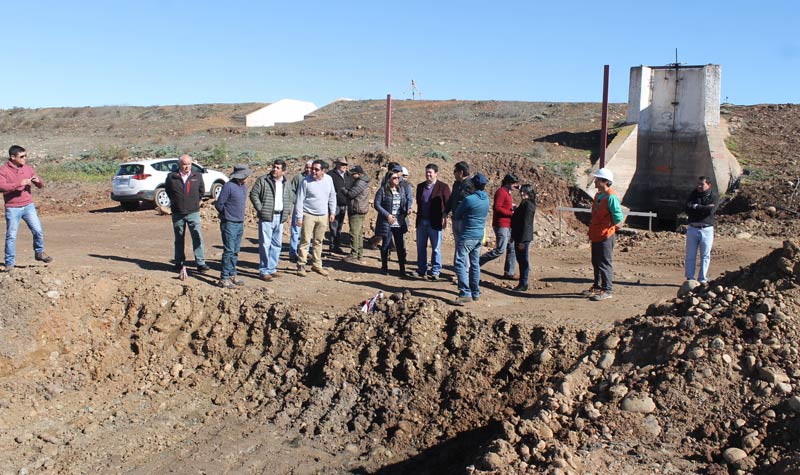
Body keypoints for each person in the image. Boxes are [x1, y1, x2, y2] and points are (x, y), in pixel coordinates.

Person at [0, 145, 52, 271]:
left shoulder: (27, 168)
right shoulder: (3, 170)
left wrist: (38, 181)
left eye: (25, 156)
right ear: (12, 157)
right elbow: (2, 187)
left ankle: (39, 253)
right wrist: (19, 184)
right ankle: (9, 263)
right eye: (22, 156)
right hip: (13, 207)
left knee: (38, 230)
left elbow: (41, 184)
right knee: (11, 235)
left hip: (28, 206)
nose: (25, 159)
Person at [250, 159, 295, 282]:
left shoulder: (287, 183)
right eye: (274, 167)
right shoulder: (263, 180)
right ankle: (264, 270)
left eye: (278, 168)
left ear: (283, 171)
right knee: (265, 244)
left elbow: (291, 198)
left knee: (276, 244)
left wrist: (288, 210)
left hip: (280, 217)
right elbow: (253, 194)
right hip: (267, 217)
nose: (275, 169)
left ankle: (272, 268)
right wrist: (261, 209)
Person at [165, 154, 209, 274]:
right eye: (184, 164)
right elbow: (168, 191)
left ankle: (200, 263)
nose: (187, 167)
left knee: (197, 237)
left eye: (189, 164)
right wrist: (176, 202)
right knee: (179, 238)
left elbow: (201, 191)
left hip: (193, 212)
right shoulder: (171, 177)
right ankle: (179, 262)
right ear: (179, 164)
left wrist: (193, 202)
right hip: (177, 212)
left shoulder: (197, 176)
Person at [585, 168, 623, 301]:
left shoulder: (611, 197)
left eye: (597, 179)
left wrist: (609, 227)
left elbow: (618, 218)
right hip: (596, 234)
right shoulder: (598, 195)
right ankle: (597, 286)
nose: (594, 181)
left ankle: (607, 289)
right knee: (596, 261)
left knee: (605, 263)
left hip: (605, 235)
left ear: (605, 181)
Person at [294, 159, 337, 276]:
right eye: (312, 169)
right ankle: (301, 265)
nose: (313, 171)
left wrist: (332, 212)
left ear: (323, 171)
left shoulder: (329, 180)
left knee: (318, 241)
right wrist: (299, 217)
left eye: (316, 169)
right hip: (308, 215)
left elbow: (332, 196)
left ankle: (317, 265)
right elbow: (299, 200)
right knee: (305, 241)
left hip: (323, 215)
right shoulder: (305, 181)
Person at [453, 173, 490, 304]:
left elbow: (457, 214)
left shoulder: (469, 200)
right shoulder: (486, 199)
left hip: (467, 235)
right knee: (475, 264)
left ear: (473, 184)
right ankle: (475, 291)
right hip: (479, 235)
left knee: (459, 262)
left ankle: (465, 292)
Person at [215, 164, 252, 288]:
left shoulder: (244, 187)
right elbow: (219, 205)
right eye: (246, 175)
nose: (248, 177)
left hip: (239, 222)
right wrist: (227, 214)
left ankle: (232, 274)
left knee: (235, 251)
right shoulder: (228, 186)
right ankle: (224, 278)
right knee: (229, 251)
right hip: (229, 223)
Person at [411, 163, 451, 280]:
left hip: (435, 222)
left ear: (436, 174)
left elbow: (448, 204)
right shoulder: (420, 186)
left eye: (430, 172)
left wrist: (445, 216)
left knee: (436, 248)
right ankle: (422, 269)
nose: (428, 174)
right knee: (421, 246)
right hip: (422, 221)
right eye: (427, 172)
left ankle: (435, 271)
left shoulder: (443, 187)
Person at [481, 173, 519, 279]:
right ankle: (476, 263)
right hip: (501, 224)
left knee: (512, 248)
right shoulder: (501, 192)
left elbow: (503, 206)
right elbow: (497, 208)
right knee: (500, 250)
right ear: (508, 183)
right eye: (514, 183)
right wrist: (511, 213)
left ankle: (509, 272)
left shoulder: (507, 192)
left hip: (507, 224)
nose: (515, 186)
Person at [374, 169, 410, 275]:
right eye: (394, 178)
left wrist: (406, 211)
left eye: (398, 178)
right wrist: (387, 215)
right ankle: (384, 267)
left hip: (398, 221)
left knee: (399, 245)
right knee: (386, 245)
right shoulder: (382, 190)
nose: (397, 179)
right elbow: (377, 205)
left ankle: (402, 269)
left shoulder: (401, 189)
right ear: (389, 179)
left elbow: (403, 203)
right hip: (387, 221)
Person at [684, 176, 719, 284]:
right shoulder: (693, 194)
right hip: (692, 228)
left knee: (705, 255)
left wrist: (696, 207)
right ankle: (690, 278)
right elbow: (687, 209)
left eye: (702, 184)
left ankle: (702, 279)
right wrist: (702, 208)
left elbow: (710, 211)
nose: (699, 186)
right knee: (690, 254)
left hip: (706, 229)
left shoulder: (713, 196)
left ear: (709, 185)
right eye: (698, 184)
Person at [510, 184, 537, 292]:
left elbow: (527, 224)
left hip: (523, 238)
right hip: (519, 236)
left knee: (523, 260)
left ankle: (523, 283)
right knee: (521, 260)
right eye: (521, 191)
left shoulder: (528, 205)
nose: (521, 193)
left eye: (524, 192)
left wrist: (522, 240)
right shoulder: (526, 203)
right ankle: (522, 282)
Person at [445, 161, 472, 264]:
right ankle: (459, 270)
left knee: (463, 246)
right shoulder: (456, 184)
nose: (453, 173)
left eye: (455, 171)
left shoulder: (470, 185)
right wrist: (446, 212)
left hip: (464, 220)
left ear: (461, 172)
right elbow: (452, 199)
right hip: (456, 219)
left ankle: (464, 271)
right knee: (458, 244)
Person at [343, 165, 371, 264]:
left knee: (354, 233)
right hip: (359, 210)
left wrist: (343, 190)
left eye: (353, 173)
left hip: (356, 210)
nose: (351, 175)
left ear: (359, 174)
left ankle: (354, 254)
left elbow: (351, 194)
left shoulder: (360, 183)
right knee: (358, 233)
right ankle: (359, 254)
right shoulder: (363, 182)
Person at [288, 160, 313, 263]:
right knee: (295, 231)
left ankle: (305, 252)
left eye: (310, 168)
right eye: (307, 167)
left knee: (307, 232)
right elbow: (291, 191)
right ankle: (293, 253)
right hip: (298, 209)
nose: (308, 169)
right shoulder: (298, 178)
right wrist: (296, 201)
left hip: (309, 210)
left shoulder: (314, 180)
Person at [328, 157, 352, 254]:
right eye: (342, 164)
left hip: (344, 204)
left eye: (345, 164)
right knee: (333, 226)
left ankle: (336, 245)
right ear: (337, 164)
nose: (344, 166)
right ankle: (333, 245)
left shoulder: (348, 175)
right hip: (334, 204)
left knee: (340, 226)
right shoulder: (330, 175)